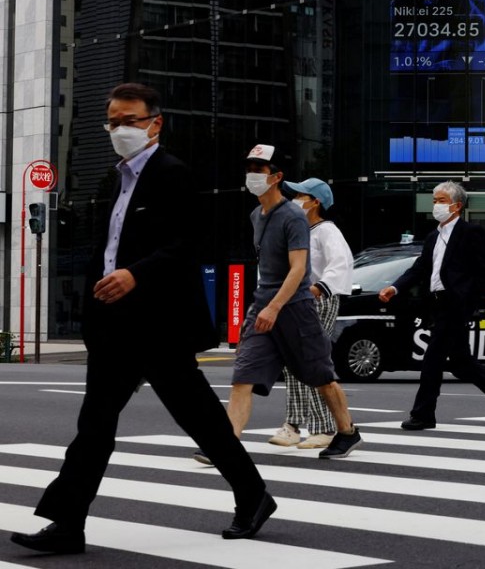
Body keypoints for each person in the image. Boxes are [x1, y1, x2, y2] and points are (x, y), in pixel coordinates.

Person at [10, 83, 276, 555]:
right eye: (112, 121)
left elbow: (189, 243)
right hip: (116, 324)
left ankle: (253, 495)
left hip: (159, 324)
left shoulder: (173, 174)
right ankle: (68, 523)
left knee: (198, 418)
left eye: (129, 120)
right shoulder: (114, 180)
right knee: (94, 425)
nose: (119, 130)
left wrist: (137, 275)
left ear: (156, 123)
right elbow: (107, 250)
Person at [195, 145, 361, 462]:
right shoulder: (256, 215)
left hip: (296, 308)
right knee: (243, 377)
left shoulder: (294, 217)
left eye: (259, 169)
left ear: (276, 177)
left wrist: (275, 306)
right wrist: (262, 306)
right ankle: (224, 446)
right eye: (249, 168)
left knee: (321, 376)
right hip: (263, 305)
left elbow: (299, 268)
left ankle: (347, 432)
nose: (252, 175)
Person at [378, 181, 485, 430]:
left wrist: (467, 299)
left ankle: (423, 414)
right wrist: (396, 287)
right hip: (437, 304)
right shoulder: (434, 236)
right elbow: (420, 268)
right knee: (460, 362)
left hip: (455, 304)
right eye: (434, 200)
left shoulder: (470, 232)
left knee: (432, 357)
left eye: (441, 201)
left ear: (456, 206)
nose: (436, 205)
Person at [268, 178, 353, 449]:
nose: (294, 199)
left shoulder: (327, 230)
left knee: (313, 361)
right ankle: (293, 424)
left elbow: (341, 263)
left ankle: (323, 428)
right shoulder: (299, 229)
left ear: (315, 201)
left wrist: (318, 289)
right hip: (295, 302)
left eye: (300, 195)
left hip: (318, 301)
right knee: (292, 363)